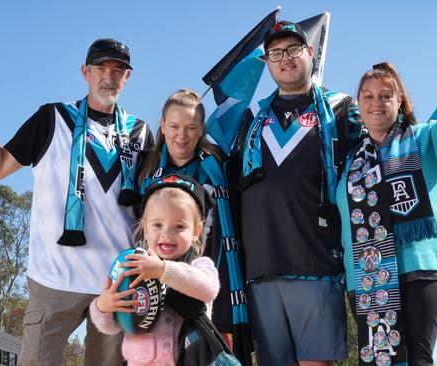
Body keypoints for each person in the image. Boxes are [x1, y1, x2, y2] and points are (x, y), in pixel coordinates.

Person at [0, 38, 153, 365]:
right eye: (101, 68)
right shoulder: (52, 119)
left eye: (118, 70)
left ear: (127, 77)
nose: (109, 77)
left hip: (115, 284)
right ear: (85, 72)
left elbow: (151, 208)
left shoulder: (141, 133)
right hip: (55, 281)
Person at [336, 33, 437, 366]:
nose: (376, 103)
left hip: (423, 269)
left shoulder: (425, 138)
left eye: (385, 96)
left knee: (417, 359)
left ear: (400, 100)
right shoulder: (350, 162)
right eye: (368, 96)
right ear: (358, 105)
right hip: (367, 277)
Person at [225, 21, 360, 366]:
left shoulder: (341, 108)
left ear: (310, 53)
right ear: (267, 62)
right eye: (275, 53)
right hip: (261, 267)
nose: (285, 59)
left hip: (316, 261)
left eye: (293, 49)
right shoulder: (251, 117)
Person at [136, 89, 251, 364]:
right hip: (158, 289)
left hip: (210, 283)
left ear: (202, 130)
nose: (182, 135)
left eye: (191, 127)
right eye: (174, 126)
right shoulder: (146, 173)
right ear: (162, 126)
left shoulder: (218, 167)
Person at [90, 174, 220, 366]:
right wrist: (103, 306)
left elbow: (208, 288)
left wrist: (162, 270)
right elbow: (110, 326)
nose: (167, 234)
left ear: (196, 232)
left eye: (179, 226)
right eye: (157, 225)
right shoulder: (131, 266)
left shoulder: (200, 265)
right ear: (145, 227)